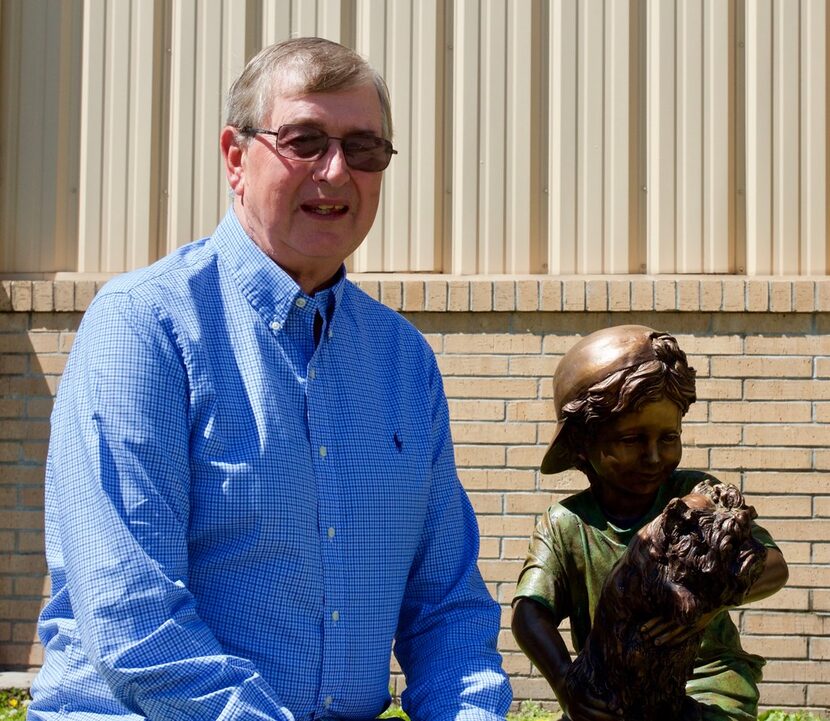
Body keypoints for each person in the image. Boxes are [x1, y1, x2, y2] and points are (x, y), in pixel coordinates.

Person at [30, 37, 511, 721]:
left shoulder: (404, 362)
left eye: (364, 149)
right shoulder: (143, 327)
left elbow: (447, 608)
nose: (337, 171)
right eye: (305, 141)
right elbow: (134, 619)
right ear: (235, 157)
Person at [511, 325, 788, 721]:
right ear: (582, 445)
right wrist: (565, 681)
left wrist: (707, 605)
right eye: (631, 440)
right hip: (616, 689)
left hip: (706, 683)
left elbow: (773, 565)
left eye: (669, 437)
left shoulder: (699, 496)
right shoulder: (566, 524)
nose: (654, 456)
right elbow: (529, 613)